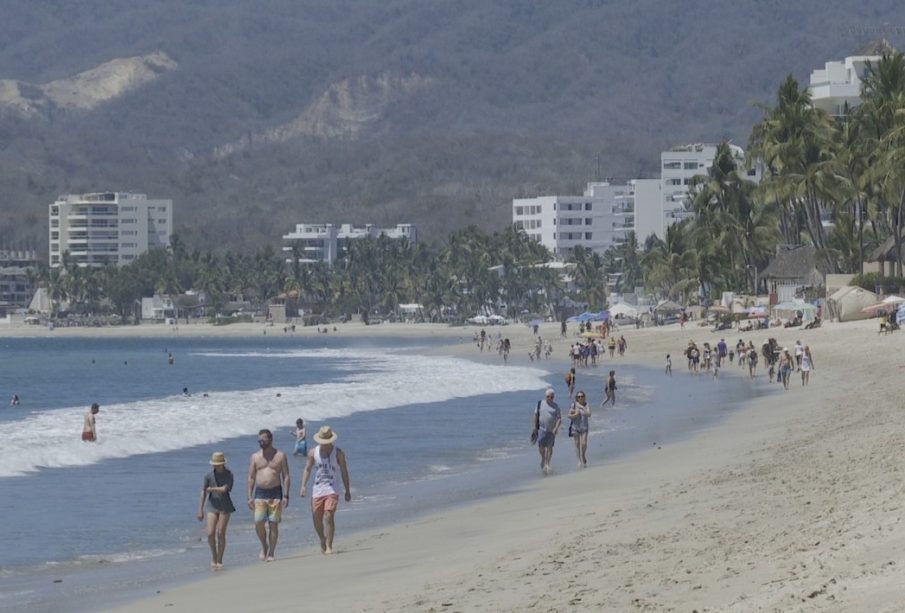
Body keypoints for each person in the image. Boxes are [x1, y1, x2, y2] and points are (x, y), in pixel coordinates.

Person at [300, 426, 351, 555]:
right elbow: (307, 469)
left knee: (328, 514)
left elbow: (344, 471)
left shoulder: (338, 453)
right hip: (318, 489)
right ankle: (322, 539)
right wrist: (303, 486)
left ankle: (329, 545)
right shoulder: (313, 452)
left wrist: (347, 490)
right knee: (316, 517)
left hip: (332, 488)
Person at [247, 429, 291, 561]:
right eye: (259, 440)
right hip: (260, 492)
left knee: (273, 524)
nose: (261, 442)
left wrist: (286, 495)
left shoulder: (280, 456)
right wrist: (249, 496)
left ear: (270, 439)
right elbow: (251, 477)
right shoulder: (255, 457)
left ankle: (271, 552)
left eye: (263, 439)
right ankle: (264, 546)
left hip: (276, 492)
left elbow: (286, 476)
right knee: (258, 521)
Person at [197, 451, 236, 570]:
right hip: (212, 505)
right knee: (210, 533)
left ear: (222, 463)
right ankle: (214, 556)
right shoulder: (208, 476)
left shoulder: (229, 474)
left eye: (217, 464)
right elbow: (203, 491)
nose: (215, 466)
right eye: (214, 464)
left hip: (225, 506)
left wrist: (212, 489)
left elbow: (225, 489)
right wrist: (200, 509)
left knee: (221, 533)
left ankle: (220, 559)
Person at [532, 389, 561, 474]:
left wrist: (556, 428)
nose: (550, 398)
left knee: (550, 447)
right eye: (548, 396)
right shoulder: (540, 404)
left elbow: (559, 418)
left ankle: (547, 463)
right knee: (541, 447)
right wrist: (534, 427)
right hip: (541, 429)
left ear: (553, 397)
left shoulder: (556, 406)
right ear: (545, 397)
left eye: (551, 397)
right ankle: (543, 458)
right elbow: (535, 415)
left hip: (551, 430)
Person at [568, 391, 591, 468]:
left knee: (584, 443)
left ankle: (583, 455)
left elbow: (589, 414)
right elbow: (569, 415)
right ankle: (578, 460)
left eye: (582, 396)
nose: (580, 398)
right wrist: (575, 414)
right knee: (577, 444)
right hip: (575, 427)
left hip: (584, 427)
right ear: (576, 398)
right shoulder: (573, 405)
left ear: (584, 397)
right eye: (578, 396)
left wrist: (583, 409)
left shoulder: (587, 405)